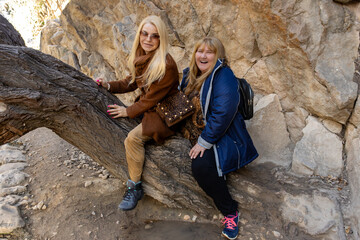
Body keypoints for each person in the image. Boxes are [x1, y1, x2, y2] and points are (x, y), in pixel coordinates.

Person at [179, 37, 258, 240]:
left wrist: (204, 142)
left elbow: (223, 113)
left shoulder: (224, 76)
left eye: (209, 52)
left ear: (218, 56)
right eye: (200, 51)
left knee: (201, 167)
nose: (203, 56)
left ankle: (230, 211)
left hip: (221, 135)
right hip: (193, 131)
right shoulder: (189, 74)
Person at [97, 15, 179, 211]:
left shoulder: (165, 64)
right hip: (150, 108)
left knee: (132, 139)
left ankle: (134, 187)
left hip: (165, 113)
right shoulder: (142, 56)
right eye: (145, 34)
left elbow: (151, 99)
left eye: (154, 36)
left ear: (161, 39)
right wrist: (108, 85)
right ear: (140, 34)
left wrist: (128, 111)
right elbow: (130, 82)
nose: (148, 39)